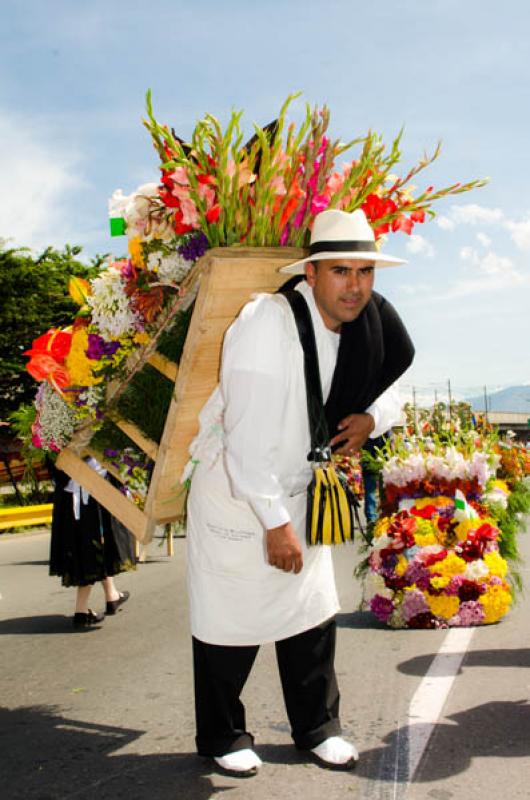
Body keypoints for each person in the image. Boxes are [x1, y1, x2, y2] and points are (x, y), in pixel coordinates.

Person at [185, 209, 414, 776]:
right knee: (228, 620)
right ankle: (223, 734)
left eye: (365, 272)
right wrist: (272, 521)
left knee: (311, 613)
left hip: (301, 489)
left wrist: (371, 418)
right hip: (240, 492)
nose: (355, 286)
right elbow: (245, 435)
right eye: (341, 271)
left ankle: (317, 726)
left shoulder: (370, 323)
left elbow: (398, 385)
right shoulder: (269, 322)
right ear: (310, 274)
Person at [49, 457, 136, 628]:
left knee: (94, 544)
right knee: (90, 545)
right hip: (90, 489)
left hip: (73, 488)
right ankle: (81, 611)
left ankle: (111, 595)